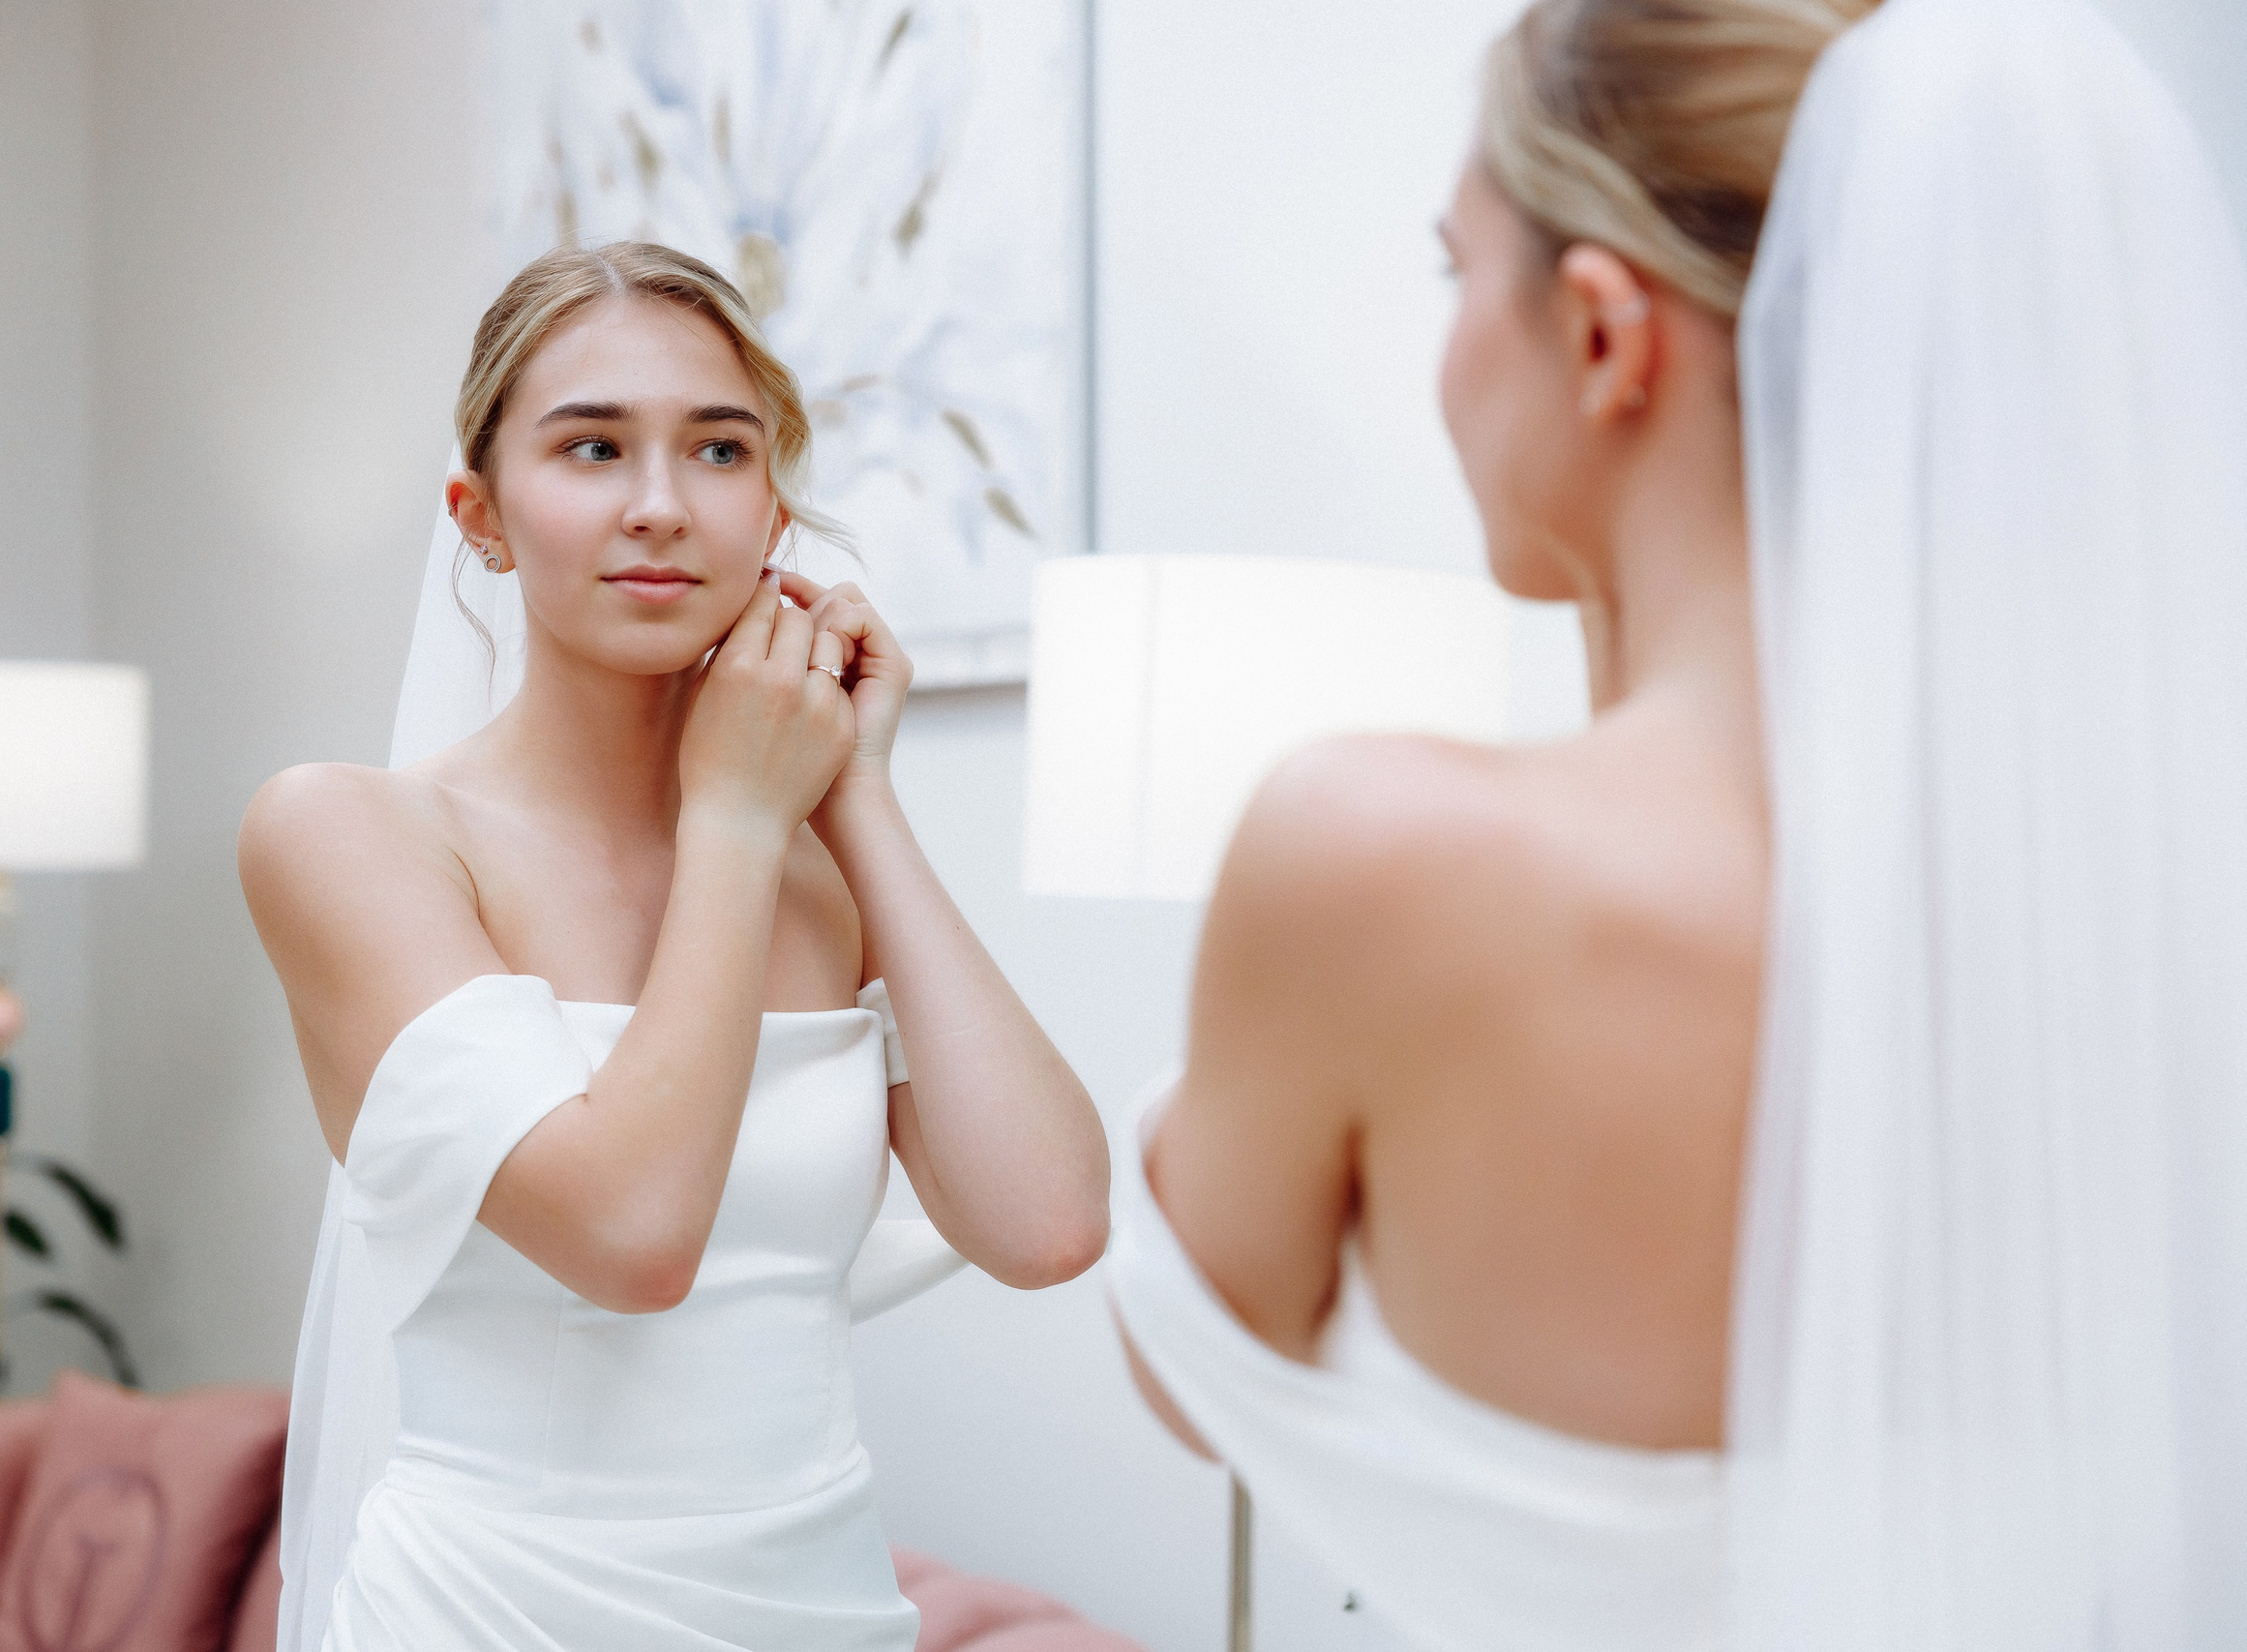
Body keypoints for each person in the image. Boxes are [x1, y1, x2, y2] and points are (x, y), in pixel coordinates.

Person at [1109, 0, 2247, 1646]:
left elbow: (1194, 1367)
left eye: (1454, 271)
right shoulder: (2162, 910)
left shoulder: (1377, 861)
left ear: (1600, 334)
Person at [238, 241, 1110, 1652]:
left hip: (818, 1609)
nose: (660, 506)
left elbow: (1049, 1226)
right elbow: (633, 1236)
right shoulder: (352, 835)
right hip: (493, 1615)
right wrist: (736, 820)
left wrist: (857, 800)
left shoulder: (810, 857)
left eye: (718, 449)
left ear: (771, 511)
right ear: (482, 515)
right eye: (592, 449)